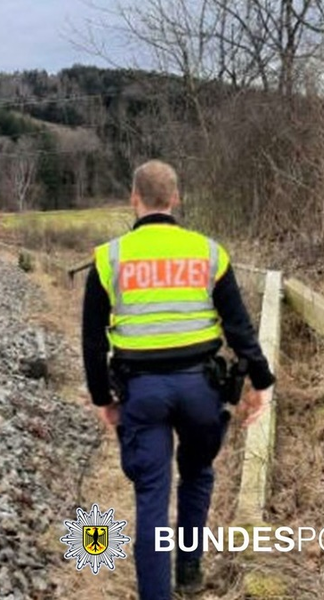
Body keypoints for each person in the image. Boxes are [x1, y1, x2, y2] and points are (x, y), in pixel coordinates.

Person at [81, 160, 275, 599]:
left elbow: (92, 341)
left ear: (135, 199)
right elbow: (239, 329)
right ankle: (188, 569)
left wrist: (101, 397)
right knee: (197, 472)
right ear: (175, 199)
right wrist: (261, 383)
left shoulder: (108, 258)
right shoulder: (209, 253)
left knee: (152, 495)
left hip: (141, 390)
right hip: (201, 390)